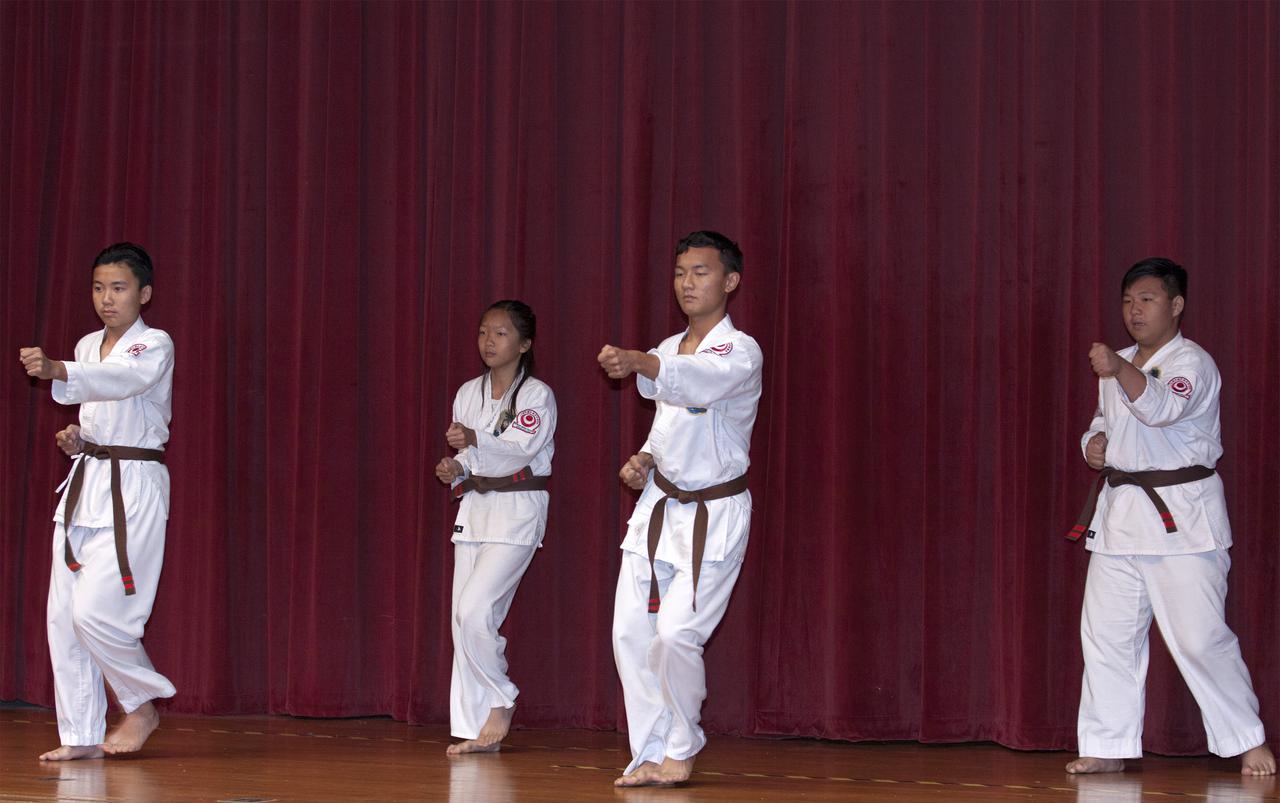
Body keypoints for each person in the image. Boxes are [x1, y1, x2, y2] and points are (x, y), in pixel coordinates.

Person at [1065, 257, 1275, 776]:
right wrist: (1092, 443)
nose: (1134, 311)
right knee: (1107, 636)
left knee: (1200, 638)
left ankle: (1247, 740)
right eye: (1128, 301)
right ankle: (1108, 745)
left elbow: (1161, 409)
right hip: (1120, 517)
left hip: (1182, 519)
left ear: (1176, 306)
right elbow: (1104, 419)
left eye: (1148, 300)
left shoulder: (1192, 364)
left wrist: (1119, 370)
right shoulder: (1120, 360)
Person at [598, 230, 763, 787]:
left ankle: (683, 739)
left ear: (730, 281)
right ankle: (649, 751)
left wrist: (641, 361)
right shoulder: (669, 348)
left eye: (700, 272)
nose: (687, 283)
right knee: (630, 634)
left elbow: (698, 385)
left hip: (713, 516)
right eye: (679, 273)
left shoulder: (740, 352)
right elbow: (667, 420)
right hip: (658, 508)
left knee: (674, 635)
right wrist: (644, 457)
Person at [18, 242, 177, 761]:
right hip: (87, 481)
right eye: (98, 287)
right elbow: (93, 406)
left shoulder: (153, 344)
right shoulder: (88, 344)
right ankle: (80, 736)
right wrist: (78, 441)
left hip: (134, 485)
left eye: (119, 287)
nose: (107, 298)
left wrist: (59, 370)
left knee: (97, 611)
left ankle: (142, 703)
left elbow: (123, 382)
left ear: (144, 293)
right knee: (63, 615)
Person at [435, 300, 555, 755]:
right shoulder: (468, 392)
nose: (489, 340)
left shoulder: (537, 396)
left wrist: (475, 442)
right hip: (475, 510)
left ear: (524, 344)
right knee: (460, 621)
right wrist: (455, 468)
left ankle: (502, 697)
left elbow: (520, 450)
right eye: (484, 331)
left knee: (475, 611)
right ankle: (472, 723)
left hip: (518, 511)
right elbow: (471, 459)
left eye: (501, 333)